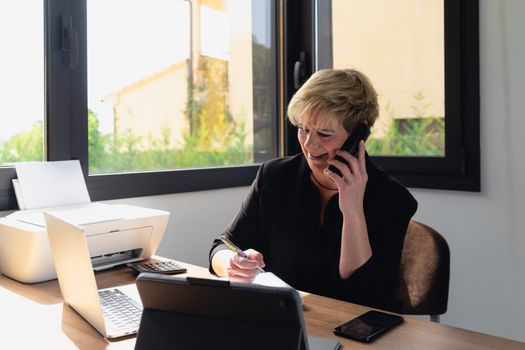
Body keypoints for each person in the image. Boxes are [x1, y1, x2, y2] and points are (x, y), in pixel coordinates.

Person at [208, 68, 417, 311]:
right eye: (303, 129)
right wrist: (232, 264)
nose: (309, 144)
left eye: (324, 134)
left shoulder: (393, 200)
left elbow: (366, 298)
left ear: (358, 135)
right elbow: (222, 247)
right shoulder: (275, 177)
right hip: (285, 322)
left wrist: (352, 211)